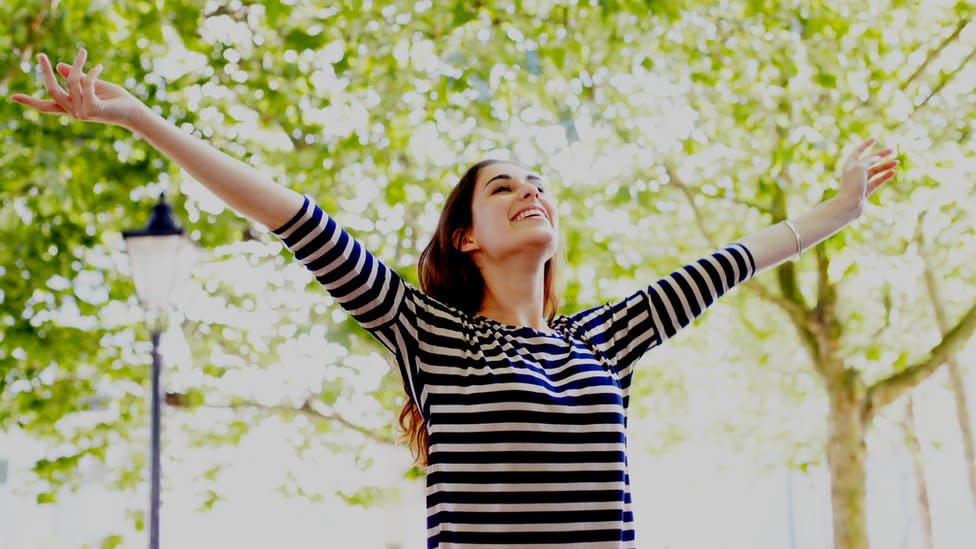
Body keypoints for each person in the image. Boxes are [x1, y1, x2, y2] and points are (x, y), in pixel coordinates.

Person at [11, 49, 898, 548]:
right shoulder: (427, 332)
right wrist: (140, 117)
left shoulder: (603, 340)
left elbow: (732, 260)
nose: (530, 191)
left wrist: (843, 207)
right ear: (465, 235)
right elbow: (289, 213)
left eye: (539, 182)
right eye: (503, 186)